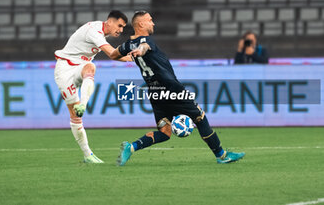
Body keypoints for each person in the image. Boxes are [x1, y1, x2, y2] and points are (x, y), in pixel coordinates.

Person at [111, 11, 245, 166]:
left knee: (165, 132)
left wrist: (129, 57)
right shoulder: (146, 40)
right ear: (141, 24)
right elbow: (145, 46)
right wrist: (140, 51)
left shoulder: (128, 44)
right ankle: (222, 156)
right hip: (172, 89)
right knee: (200, 117)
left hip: (155, 91)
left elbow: (114, 55)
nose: (153, 23)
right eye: (150, 20)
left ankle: (132, 147)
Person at [54, 10, 131, 163]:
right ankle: (87, 155)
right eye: (119, 26)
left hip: (79, 67)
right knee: (75, 117)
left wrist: (131, 58)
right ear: (109, 21)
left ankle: (83, 104)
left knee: (90, 67)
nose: (121, 30)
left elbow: (115, 55)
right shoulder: (94, 31)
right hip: (64, 70)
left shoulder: (101, 33)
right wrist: (133, 57)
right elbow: (112, 53)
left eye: (123, 27)